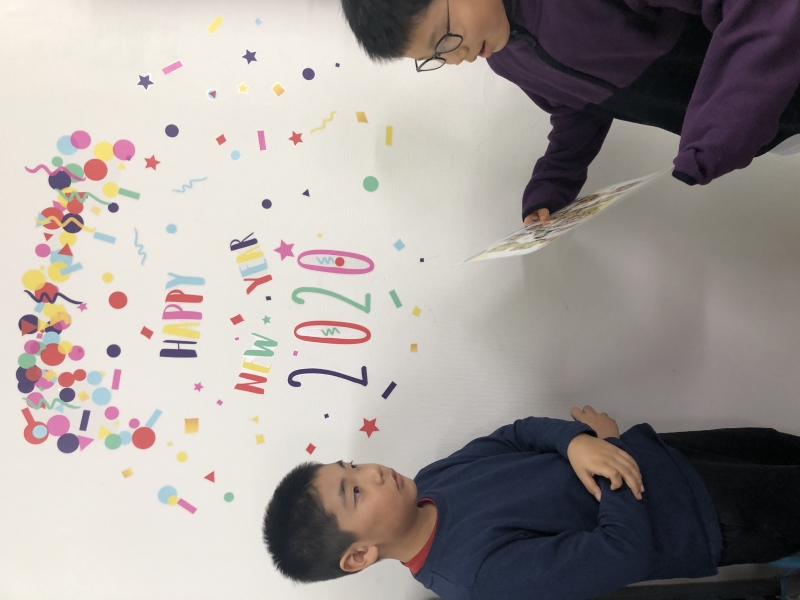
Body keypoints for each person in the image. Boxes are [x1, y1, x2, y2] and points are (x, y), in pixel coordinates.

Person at [263, 405, 800, 599]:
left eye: (354, 466)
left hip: (670, 454)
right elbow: (621, 554)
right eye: (356, 491)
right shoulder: (475, 577)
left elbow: (516, 434)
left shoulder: (433, 480)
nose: (373, 471)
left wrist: (576, 442)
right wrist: (608, 445)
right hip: (707, 517)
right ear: (358, 554)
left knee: (776, 444)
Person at [339, 0, 800, 226]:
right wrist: (552, 186)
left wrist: (726, 122)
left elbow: (763, 10)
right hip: (772, 132)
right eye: (435, 57)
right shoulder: (505, 58)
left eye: (444, 36)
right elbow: (576, 107)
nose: (455, 57)